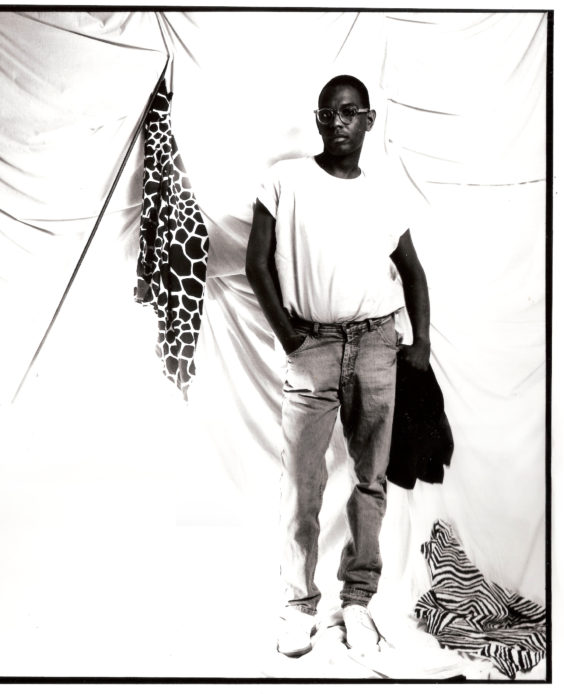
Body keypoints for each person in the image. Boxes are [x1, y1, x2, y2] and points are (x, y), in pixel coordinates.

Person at [245, 74, 430, 658]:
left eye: (349, 112)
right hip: (313, 348)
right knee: (302, 483)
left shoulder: (383, 193)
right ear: (319, 119)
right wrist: (290, 337)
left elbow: (413, 271)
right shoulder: (285, 179)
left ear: (369, 119)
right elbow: (256, 265)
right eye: (328, 114)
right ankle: (298, 606)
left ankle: (357, 602)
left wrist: (419, 342)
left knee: (370, 481)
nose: (337, 122)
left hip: (377, 344)